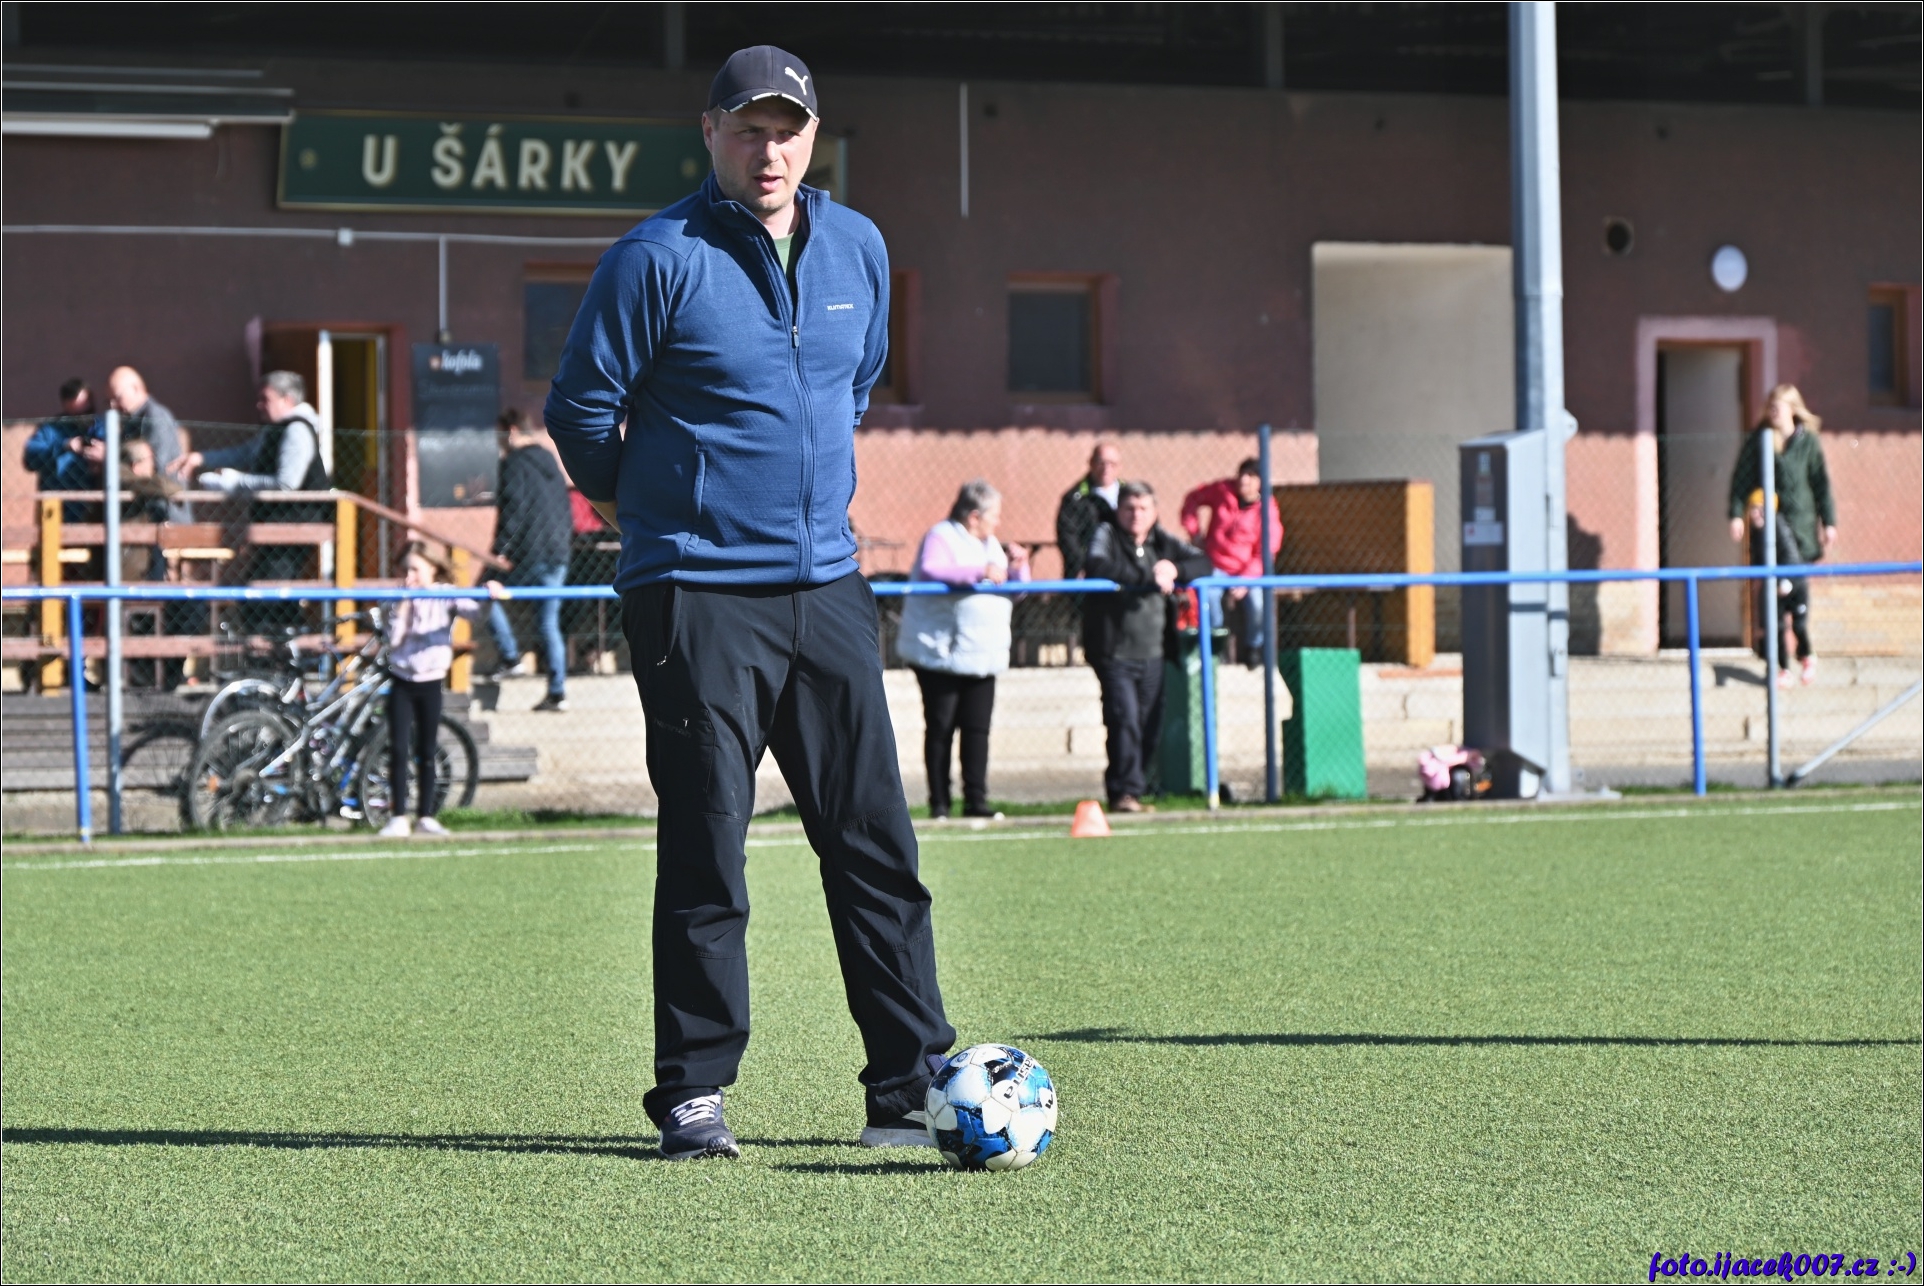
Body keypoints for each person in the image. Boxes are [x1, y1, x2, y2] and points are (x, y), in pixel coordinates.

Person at [543, 45, 955, 1161]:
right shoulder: (654, 258)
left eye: (786, 130)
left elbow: (850, 384)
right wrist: (653, 516)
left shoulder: (859, 247)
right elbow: (580, 412)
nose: (767, 151)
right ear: (710, 133)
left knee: (875, 843)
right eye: (746, 129)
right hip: (695, 595)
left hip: (828, 586)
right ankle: (693, 1093)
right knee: (707, 847)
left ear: (813, 138)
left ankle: (906, 1089)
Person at [896, 480, 1031, 819]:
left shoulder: (991, 544)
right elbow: (932, 569)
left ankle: (976, 801)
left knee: (977, 729)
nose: (998, 522)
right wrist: (979, 571)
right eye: (993, 515)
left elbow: (1014, 590)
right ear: (974, 516)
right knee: (941, 728)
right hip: (941, 653)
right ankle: (939, 803)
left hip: (984, 653)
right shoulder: (941, 536)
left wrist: (1018, 568)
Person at [1081, 481, 1213, 813]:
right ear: (1119, 510)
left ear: (1154, 512)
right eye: (1129, 508)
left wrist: (1174, 569)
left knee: (1150, 725)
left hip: (1154, 651)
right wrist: (1146, 578)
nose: (1136, 515)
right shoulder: (1106, 535)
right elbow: (1097, 564)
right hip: (1115, 652)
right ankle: (1123, 792)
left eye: (1143, 508)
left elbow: (1204, 563)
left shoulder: (1162, 540)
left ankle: (1135, 789)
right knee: (1123, 720)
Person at [170, 371, 332, 629]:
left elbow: (286, 484)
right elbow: (246, 453)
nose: (259, 405)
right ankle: (284, 645)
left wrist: (235, 483)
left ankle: (282, 645)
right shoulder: (276, 430)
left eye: (265, 399)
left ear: (287, 400)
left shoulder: (296, 430)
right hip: (278, 527)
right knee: (267, 595)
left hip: (293, 528)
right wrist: (202, 458)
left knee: (266, 597)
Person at [380, 543, 496, 839]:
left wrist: (489, 596)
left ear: (432, 568)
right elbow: (393, 641)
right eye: (405, 570)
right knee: (398, 748)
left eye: (415, 570)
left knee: (427, 750)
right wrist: (404, 607)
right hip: (402, 680)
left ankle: (426, 816)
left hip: (431, 683)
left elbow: (475, 614)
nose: (409, 576)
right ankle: (398, 816)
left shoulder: (446, 594)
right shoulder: (399, 597)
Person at [1727, 384, 1835, 681]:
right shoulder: (1760, 439)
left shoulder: (1808, 442)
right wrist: (1736, 514)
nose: (1772, 411)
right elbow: (1741, 479)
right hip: (1769, 530)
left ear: (1792, 409)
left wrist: (1828, 522)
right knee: (1772, 600)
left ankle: (1805, 652)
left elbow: (1821, 483)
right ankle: (1781, 666)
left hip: (1801, 531)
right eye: (1770, 406)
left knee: (1795, 594)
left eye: (1778, 406)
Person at [484, 408, 573, 711]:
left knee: (485, 594)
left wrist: (500, 551)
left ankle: (511, 657)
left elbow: (514, 509)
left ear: (511, 431)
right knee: (548, 623)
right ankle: (557, 692)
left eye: (499, 435)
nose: (497, 442)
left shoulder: (514, 463)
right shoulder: (549, 460)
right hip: (558, 553)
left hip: (530, 554)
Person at [1181, 458, 1283, 666]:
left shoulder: (1267, 510)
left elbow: (1266, 552)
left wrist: (1246, 580)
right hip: (1216, 564)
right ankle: (1217, 643)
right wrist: (1194, 532)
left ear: (1261, 482)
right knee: (1208, 595)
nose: (1244, 480)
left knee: (1258, 603)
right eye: (1242, 474)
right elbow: (1192, 499)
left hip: (1248, 571)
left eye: (1251, 476)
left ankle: (1254, 647)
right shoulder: (1222, 490)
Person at [1744, 489, 1812, 690]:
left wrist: (1785, 580)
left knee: (1799, 626)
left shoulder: (1778, 525)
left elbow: (1790, 555)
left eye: (1758, 509)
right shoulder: (1756, 532)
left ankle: (1807, 657)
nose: (1753, 514)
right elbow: (1757, 559)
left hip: (1794, 584)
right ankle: (1784, 670)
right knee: (1777, 627)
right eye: (1752, 509)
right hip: (1775, 587)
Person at [107, 366, 190, 523]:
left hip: (165, 512)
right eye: (109, 400)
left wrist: (111, 457)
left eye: (118, 397)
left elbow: (158, 467)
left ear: (136, 388)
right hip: (147, 509)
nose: (113, 405)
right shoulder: (132, 419)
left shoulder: (155, 417)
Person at [22, 378, 100, 513]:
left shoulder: (102, 427)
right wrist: (64, 446)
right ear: (66, 405)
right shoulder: (51, 429)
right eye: (78, 414)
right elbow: (30, 459)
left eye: (88, 410)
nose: (84, 417)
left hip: (94, 502)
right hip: (56, 502)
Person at [1056, 442, 1122, 579]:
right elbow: (1068, 537)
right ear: (1091, 463)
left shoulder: (1130, 495)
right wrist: (1082, 565)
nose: (1106, 468)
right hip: (1087, 572)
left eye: (1112, 464)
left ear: (1119, 466)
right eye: (1101, 463)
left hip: (1123, 569)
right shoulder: (1075, 497)